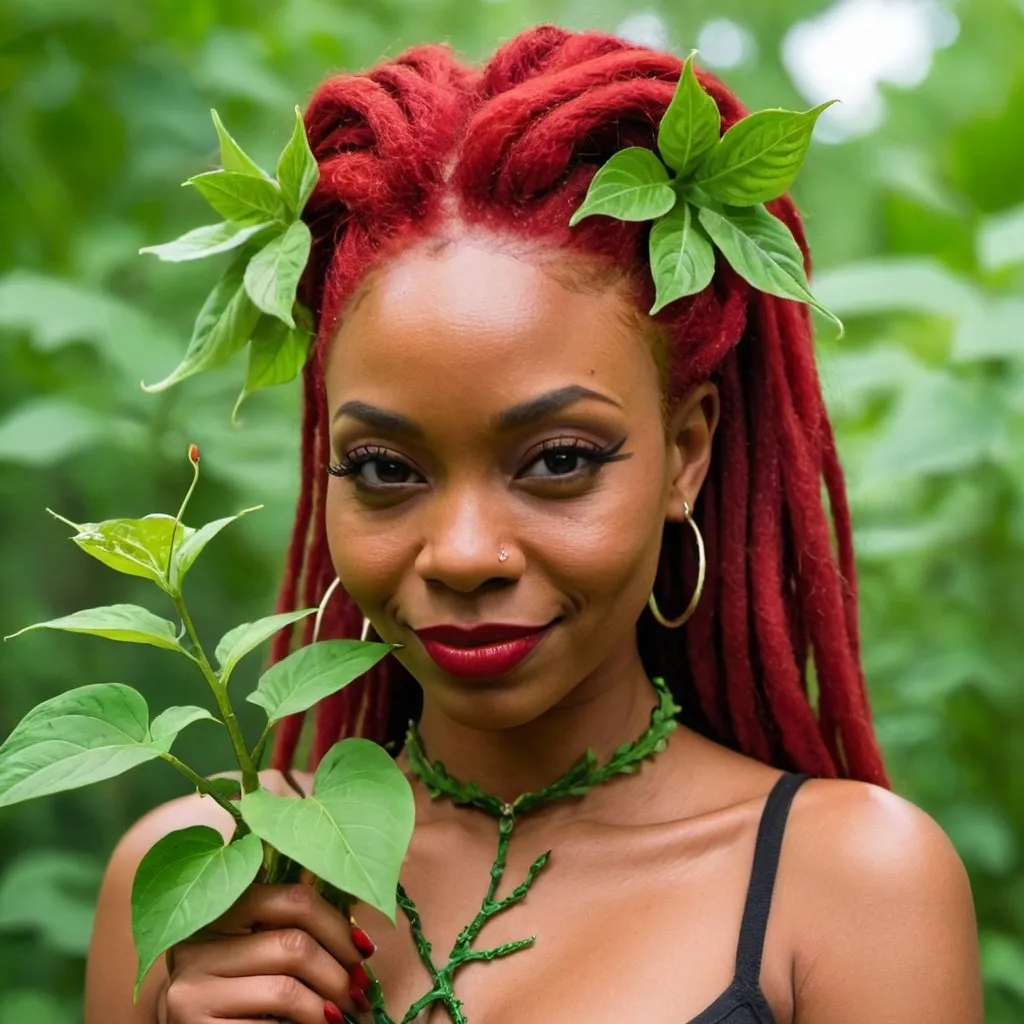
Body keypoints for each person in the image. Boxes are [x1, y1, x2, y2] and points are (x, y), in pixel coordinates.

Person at [84, 24, 983, 1024]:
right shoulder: (202, 885)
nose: (465, 553)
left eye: (557, 462)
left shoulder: (852, 885)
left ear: (685, 450)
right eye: (385, 469)